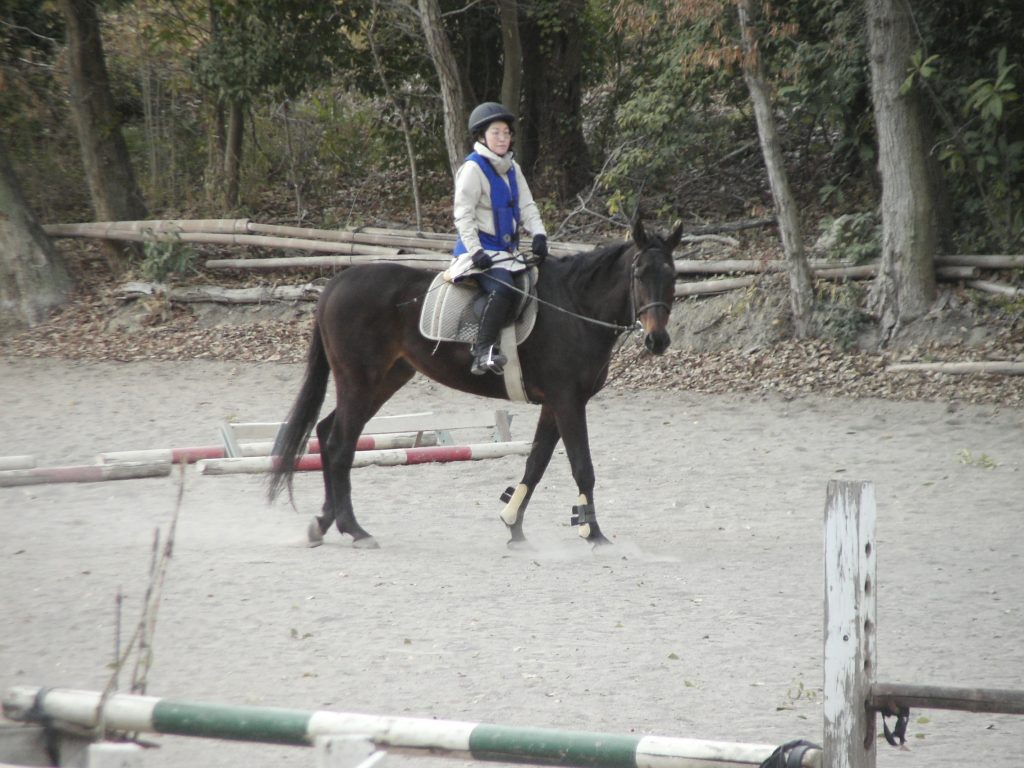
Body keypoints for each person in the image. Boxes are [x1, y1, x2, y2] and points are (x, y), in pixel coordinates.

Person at [450, 102, 549, 376]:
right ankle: (482, 351)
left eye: (506, 133)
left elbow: (527, 205)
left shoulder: (513, 168)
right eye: (496, 133)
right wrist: (476, 251)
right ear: (482, 137)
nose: (503, 138)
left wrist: (539, 234)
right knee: (503, 287)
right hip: (478, 253)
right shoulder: (473, 169)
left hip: (507, 253)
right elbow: (463, 215)